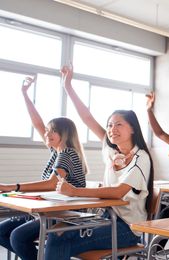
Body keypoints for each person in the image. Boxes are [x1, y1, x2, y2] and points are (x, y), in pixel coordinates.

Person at [43, 65, 154, 259]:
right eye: (110, 125)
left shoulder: (141, 158)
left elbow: (118, 191)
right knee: (55, 233)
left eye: (119, 124)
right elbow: (86, 117)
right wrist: (68, 87)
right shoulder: (111, 149)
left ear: (133, 129)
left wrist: (75, 191)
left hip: (127, 228)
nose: (112, 129)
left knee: (58, 239)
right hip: (106, 218)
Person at [0, 76, 87, 260]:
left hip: (64, 215)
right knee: (2, 231)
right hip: (47, 210)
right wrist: (25, 94)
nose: (46, 133)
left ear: (64, 134)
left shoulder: (67, 154)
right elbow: (37, 123)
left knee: (17, 237)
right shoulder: (56, 151)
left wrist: (12, 187)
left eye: (52, 130)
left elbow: (51, 184)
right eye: (47, 130)